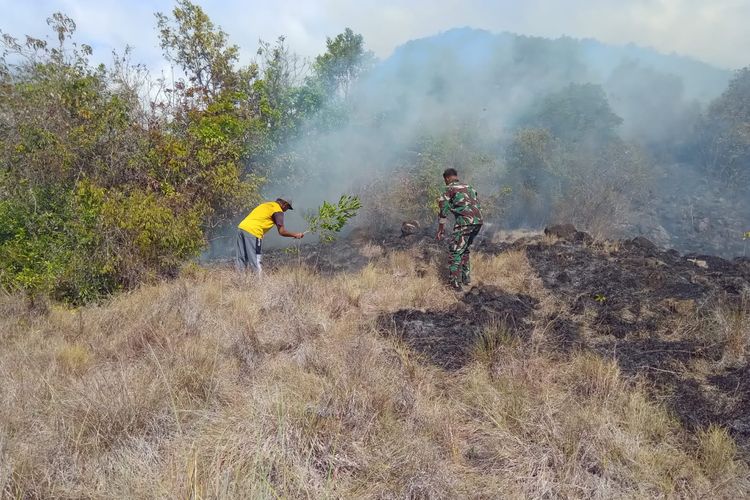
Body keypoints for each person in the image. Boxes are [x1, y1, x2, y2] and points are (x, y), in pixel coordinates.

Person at [436, 168, 483, 290]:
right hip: (478, 222)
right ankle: (466, 279)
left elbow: (443, 211)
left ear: (446, 178)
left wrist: (441, 229)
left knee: (455, 251)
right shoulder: (470, 187)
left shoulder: (449, 189)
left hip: (464, 222)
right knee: (465, 249)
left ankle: (454, 285)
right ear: (456, 176)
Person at [236, 198, 303, 273]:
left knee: (241, 258)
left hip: (241, 228)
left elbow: (260, 219)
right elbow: (282, 232)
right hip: (253, 231)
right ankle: (258, 283)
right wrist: (295, 235)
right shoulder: (278, 211)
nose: (286, 210)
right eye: (288, 208)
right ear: (285, 204)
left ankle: (240, 280)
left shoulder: (266, 205)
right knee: (255, 259)